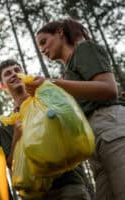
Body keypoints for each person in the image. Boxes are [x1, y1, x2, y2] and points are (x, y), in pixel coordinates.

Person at [27, 18, 125, 200]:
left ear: (60, 32)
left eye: (43, 42)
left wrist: (51, 83)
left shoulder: (84, 48)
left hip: (110, 125)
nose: (42, 50)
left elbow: (109, 89)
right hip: (93, 143)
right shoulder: (68, 73)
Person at [0, 59, 91, 199]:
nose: (14, 74)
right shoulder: (7, 124)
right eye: (8, 73)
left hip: (68, 185)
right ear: (3, 86)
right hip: (35, 194)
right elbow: (11, 164)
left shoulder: (47, 99)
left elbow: (75, 130)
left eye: (17, 70)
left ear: (25, 75)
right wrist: (17, 135)